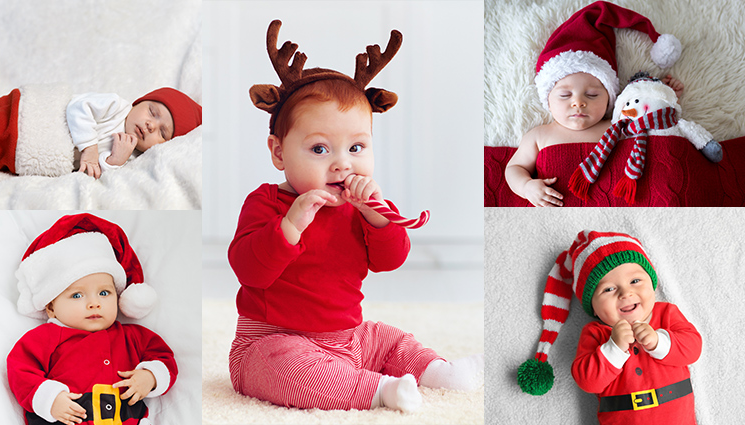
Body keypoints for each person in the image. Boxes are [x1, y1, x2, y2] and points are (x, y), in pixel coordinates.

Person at [227, 20, 483, 413]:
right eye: (319, 150)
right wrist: (290, 226)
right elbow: (250, 270)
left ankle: (438, 371)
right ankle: (377, 390)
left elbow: (389, 260)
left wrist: (378, 218)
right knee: (288, 372)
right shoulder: (267, 204)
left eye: (357, 147)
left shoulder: (361, 206)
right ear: (278, 153)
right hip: (272, 340)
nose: (341, 164)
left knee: (389, 339)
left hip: (348, 337)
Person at [504, 1, 683, 206]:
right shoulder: (539, 135)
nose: (578, 103)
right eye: (565, 95)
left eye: (591, 95)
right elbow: (514, 168)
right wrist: (526, 186)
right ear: (548, 99)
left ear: (609, 99)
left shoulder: (618, 127)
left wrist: (665, 95)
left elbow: (653, 122)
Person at [7, 214, 178, 425]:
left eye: (104, 293)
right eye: (77, 295)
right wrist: (50, 399)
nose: (94, 303)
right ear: (51, 307)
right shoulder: (44, 338)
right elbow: (20, 370)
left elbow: (164, 358)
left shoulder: (133, 336)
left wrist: (150, 377)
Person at [517, 230, 701, 424]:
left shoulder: (667, 314)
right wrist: (614, 348)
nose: (625, 293)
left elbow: (694, 348)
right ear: (593, 308)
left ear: (652, 284)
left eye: (635, 281)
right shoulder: (596, 333)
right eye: (609, 289)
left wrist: (658, 342)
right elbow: (587, 382)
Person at [0, 86, 201, 183]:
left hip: (33, 149)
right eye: (152, 112)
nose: (150, 126)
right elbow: (79, 106)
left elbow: (95, 173)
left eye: (162, 132)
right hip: (26, 115)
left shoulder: (133, 155)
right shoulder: (116, 106)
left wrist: (114, 162)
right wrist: (89, 147)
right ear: (139, 102)